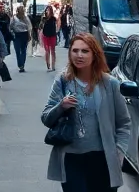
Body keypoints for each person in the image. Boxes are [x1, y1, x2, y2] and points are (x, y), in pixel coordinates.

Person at [41, 32, 132, 192]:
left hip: (103, 158)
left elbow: (124, 123)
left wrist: (119, 152)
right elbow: (46, 118)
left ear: (94, 54)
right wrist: (61, 106)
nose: (79, 55)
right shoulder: (63, 81)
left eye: (85, 51)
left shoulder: (110, 84)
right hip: (71, 158)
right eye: (75, 50)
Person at [11, 6, 32, 72]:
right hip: (17, 35)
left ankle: (22, 65)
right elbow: (10, 26)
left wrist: (29, 35)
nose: (21, 12)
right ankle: (20, 64)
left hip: (24, 34)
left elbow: (29, 27)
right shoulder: (14, 18)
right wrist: (12, 33)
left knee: (23, 50)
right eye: (20, 10)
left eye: (22, 10)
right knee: (17, 50)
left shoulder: (26, 18)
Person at [41, 5, 60, 71]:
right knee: (47, 51)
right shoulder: (44, 19)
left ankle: (53, 65)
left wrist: (57, 30)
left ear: (51, 11)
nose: (47, 11)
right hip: (45, 36)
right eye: (46, 10)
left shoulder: (53, 18)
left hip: (52, 36)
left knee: (53, 51)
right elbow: (41, 27)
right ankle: (48, 63)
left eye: (48, 10)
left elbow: (58, 22)